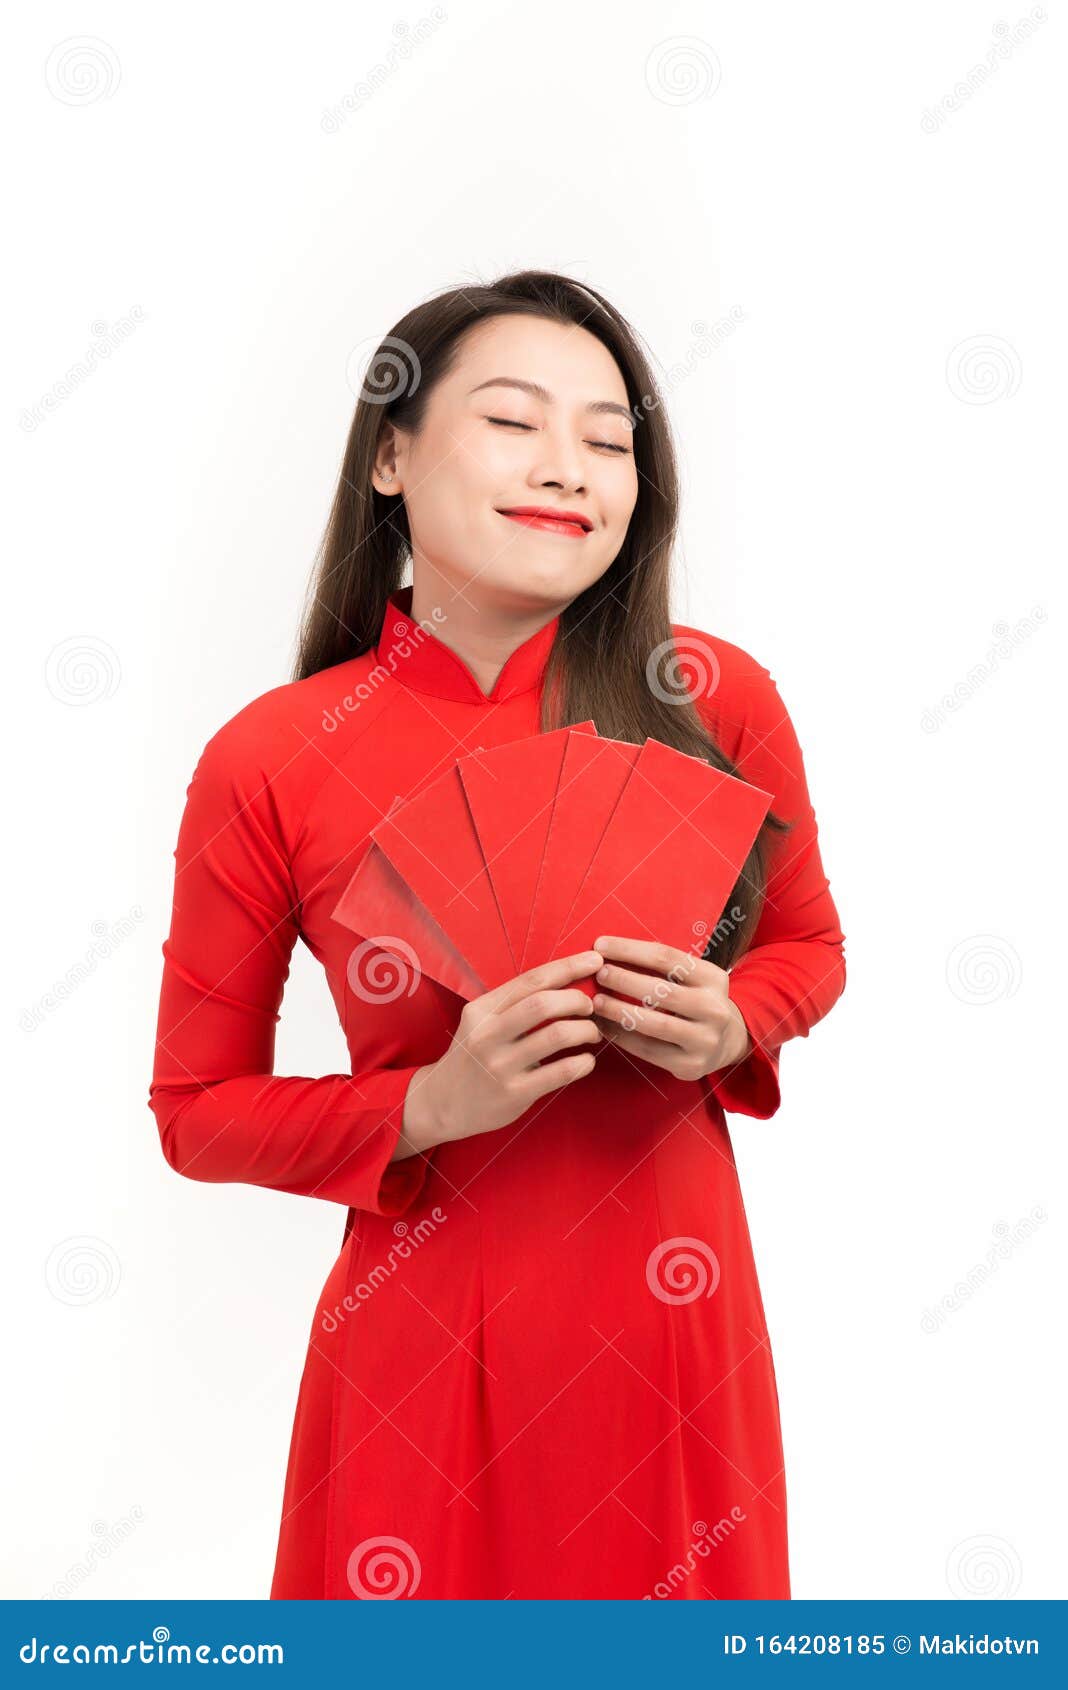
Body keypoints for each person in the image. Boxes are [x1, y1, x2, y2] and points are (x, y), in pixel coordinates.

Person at [148, 269, 846, 1600]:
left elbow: (807, 951)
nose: (570, 468)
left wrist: (734, 1021)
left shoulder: (713, 696)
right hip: (419, 1338)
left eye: (610, 437)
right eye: (517, 422)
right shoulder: (273, 757)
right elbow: (196, 1108)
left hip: (673, 1331)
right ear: (393, 457)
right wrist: (426, 1103)